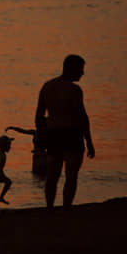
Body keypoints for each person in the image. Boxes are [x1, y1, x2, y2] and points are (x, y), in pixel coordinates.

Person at [35, 55, 96, 209]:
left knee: (52, 176)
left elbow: (39, 116)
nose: (82, 73)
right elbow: (82, 117)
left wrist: (41, 136)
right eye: (80, 69)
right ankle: (66, 207)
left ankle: (49, 207)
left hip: (53, 135)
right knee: (71, 175)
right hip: (71, 135)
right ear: (70, 68)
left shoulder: (47, 86)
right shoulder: (74, 90)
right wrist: (89, 141)